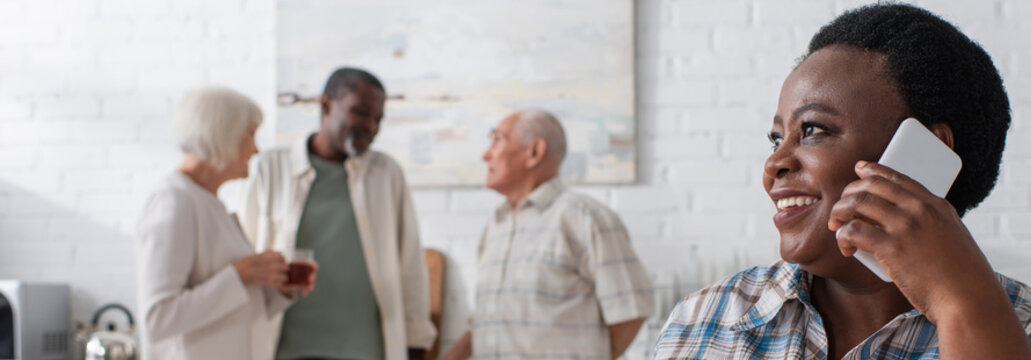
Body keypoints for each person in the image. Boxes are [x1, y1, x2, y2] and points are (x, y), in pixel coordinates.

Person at [653, 4, 1031, 359]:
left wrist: (963, 308)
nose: (775, 162)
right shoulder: (705, 320)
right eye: (776, 137)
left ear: (926, 154)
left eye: (812, 130)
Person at [238, 67, 436, 360]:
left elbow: (410, 263)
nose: (370, 125)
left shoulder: (386, 173)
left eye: (377, 119)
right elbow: (244, 253)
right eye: (361, 112)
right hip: (283, 348)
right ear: (326, 105)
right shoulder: (269, 168)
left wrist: (416, 342)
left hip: (365, 350)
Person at [443, 110, 655, 360]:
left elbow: (630, 311)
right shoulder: (496, 226)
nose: (485, 154)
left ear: (534, 152)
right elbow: (484, 321)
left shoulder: (585, 217)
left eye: (497, 140)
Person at [137, 87, 316, 360]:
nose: (256, 149)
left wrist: (277, 289)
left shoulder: (210, 204)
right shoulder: (174, 202)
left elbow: (233, 310)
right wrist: (240, 275)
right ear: (223, 133)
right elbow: (157, 320)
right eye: (251, 134)